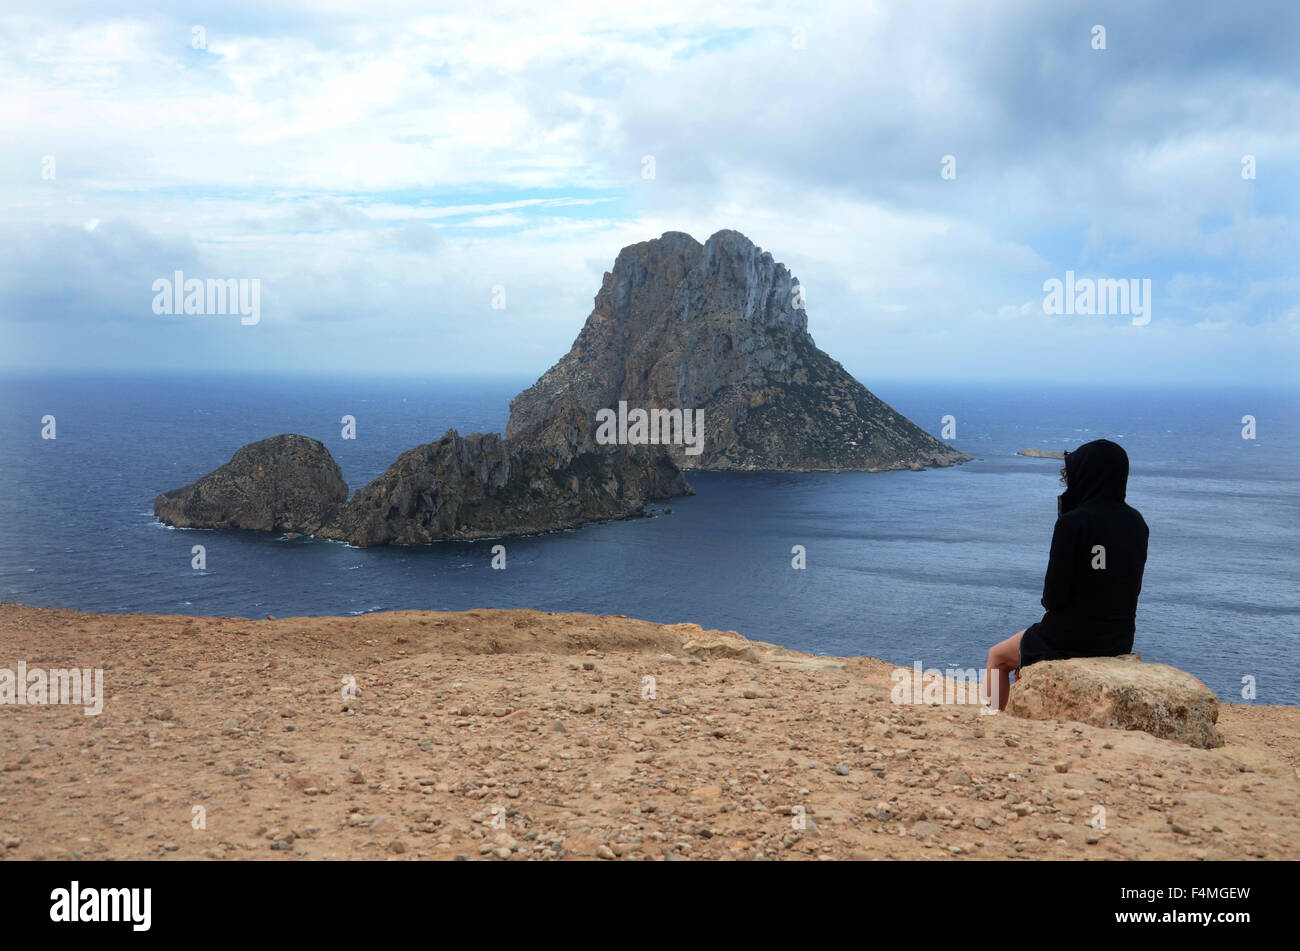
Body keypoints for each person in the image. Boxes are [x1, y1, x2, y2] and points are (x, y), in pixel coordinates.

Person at [985, 439, 1149, 711]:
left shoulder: (1072, 523)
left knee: (998, 657)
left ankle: (992, 722)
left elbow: (1054, 599)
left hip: (1072, 639)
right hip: (1119, 638)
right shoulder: (1137, 523)